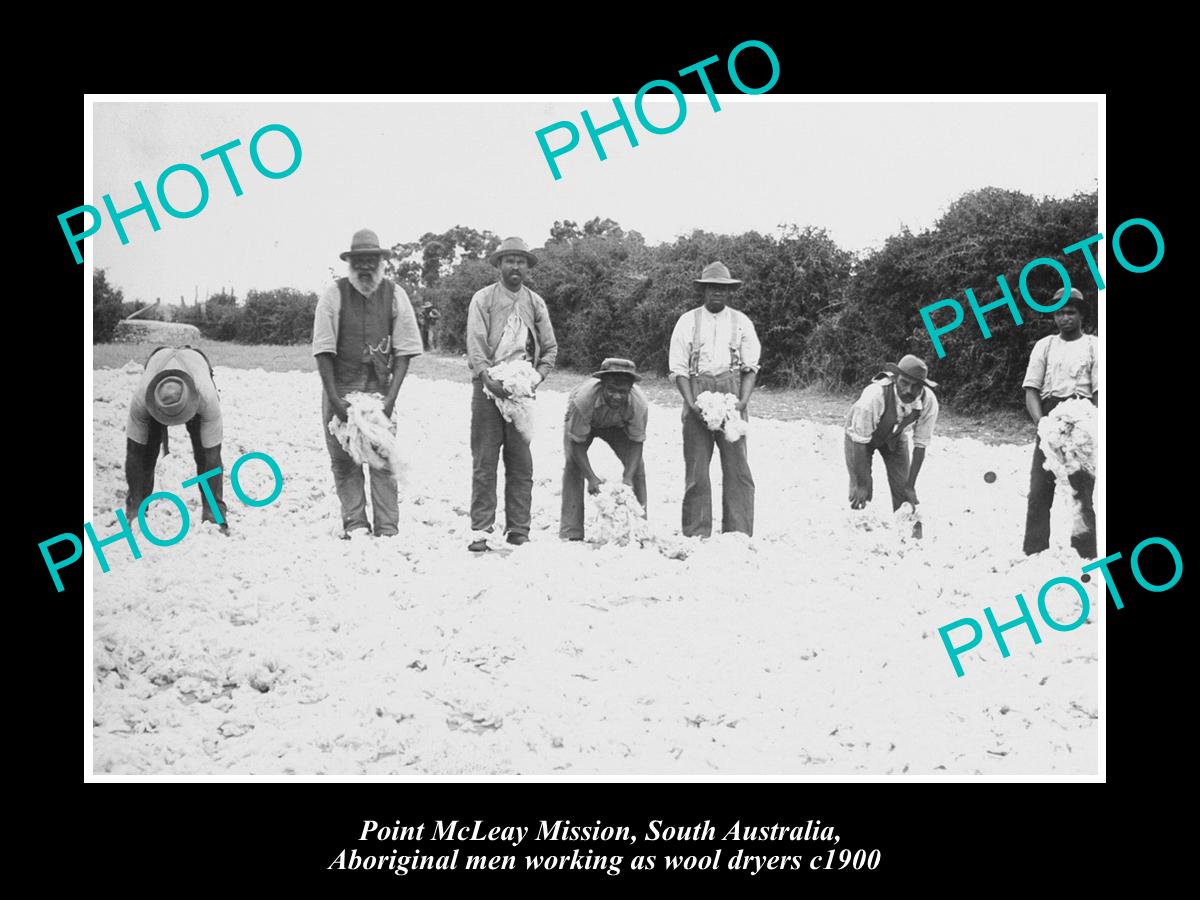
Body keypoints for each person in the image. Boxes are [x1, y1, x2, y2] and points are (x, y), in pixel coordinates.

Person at [312, 228, 423, 539]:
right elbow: (322, 352)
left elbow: (404, 353)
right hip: (341, 388)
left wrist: (389, 400)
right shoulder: (332, 295)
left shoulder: (395, 294)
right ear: (350, 263)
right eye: (359, 260)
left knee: (383, 458)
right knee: (344, 458)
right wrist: (335, 401)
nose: (365, 266)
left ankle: (387, 528)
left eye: (370, 260)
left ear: (380, 262)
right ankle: (356, 523)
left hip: (379, 391)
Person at [465, 236, 558, 551]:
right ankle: (481, 530)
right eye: (510, 260)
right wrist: (486, 378)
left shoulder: (535, 302)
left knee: (520, 461)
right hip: (489, 386)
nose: (515, 266)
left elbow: (549, 347)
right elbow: (476, 342)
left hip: (521, 388)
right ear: (499, 265)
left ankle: (519, 528)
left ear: (527, 267)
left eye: (521, 261)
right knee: (484, 459)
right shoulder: (483, 299)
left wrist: (536, 378)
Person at [667, 261, 761, 538]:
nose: (716, 293)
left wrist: (741, 403)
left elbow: (750, 367)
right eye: (711, 288)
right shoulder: (687, 321)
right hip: (699, 391)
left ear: (729, 292)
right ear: (703, 290)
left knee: (738, 467)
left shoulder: (742, 322)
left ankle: (738, 532)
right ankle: (697, 532)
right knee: (697, 469)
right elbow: (678, 370)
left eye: (722, 289)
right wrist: (691, 403)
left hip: (731, 392)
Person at [1021, 287, 1098, 558]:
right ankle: (1034, 551)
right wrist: (1042, 424)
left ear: (1081, 315)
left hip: (1083, 418)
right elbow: (1031, 389)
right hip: (1051, 416)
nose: (1065, 317)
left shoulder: (1094, 346)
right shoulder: (1045, 346)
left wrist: (1090, 425)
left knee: (1082, 491)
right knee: (1039, 490)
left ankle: (1085, 552)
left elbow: (1099, 392)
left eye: (1070, 312)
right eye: (1059, 312)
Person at [125, 345, 228, 532]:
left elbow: (213, 456)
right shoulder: (142, 398)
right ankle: (137, 507)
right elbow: (134, 453)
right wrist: (134, 507)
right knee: (146, 454)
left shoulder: (205, 395)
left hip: (196, 373)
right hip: (157, 370)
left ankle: (213, 512)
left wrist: (214, 513)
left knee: (204, 455)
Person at [844, 354, 940, 537]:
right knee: (861, 491)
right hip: (859, 438)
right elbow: (859, 440)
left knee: (905, 492)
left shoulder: (929, 402)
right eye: (904, 383)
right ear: (895, 378)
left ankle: (908, 537)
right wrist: (862, 484)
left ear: (923, 386)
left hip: (895, 436)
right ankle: (859, 534)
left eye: (916, 386)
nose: (909, 391)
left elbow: (920, 445)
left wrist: (910, 486)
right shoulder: (874, 396)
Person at [559, 358, 649, 541]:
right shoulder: (582, 400)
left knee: (637, 468)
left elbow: (636, 443)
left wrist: (628, 478)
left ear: (631, 390)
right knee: (573, 465)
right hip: (586, 423)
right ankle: (571, 531)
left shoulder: (639, 405)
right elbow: (576, 443)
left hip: (617, 426)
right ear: (602, 385)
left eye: (622, 392)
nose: (617, 396)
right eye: (611, 390)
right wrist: (591, 478)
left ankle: (640, 527)